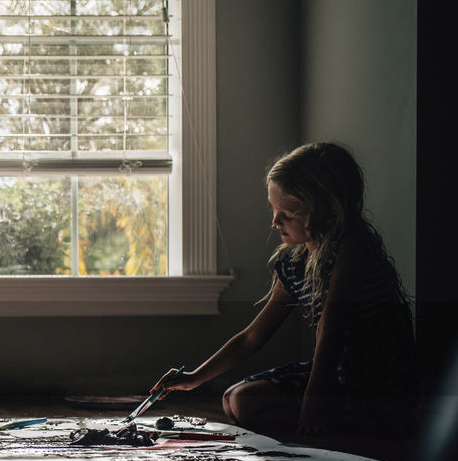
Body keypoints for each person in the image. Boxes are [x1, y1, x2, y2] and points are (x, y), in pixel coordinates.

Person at [150, 142, 417, 436]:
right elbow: (253, 336)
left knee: (247, 404)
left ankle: (356, 425)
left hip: (372, 380)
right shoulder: (295, 261)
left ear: (328, 211)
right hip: (332, 368)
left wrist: (315, 401)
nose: (275, 222)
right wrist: (194, 378)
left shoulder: (352, 248)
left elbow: (333, 329)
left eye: (288, 214)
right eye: (274, 209)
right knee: (232, 398)